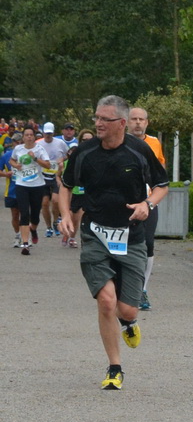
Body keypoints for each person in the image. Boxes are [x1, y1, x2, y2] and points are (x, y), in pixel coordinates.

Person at [54, 95, 169, 391]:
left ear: (121, 123)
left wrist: (147, 204)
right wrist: (65, 215)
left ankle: (128, 323)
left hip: (131, 235)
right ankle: (115, 367)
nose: (98, 123)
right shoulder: (84, 152)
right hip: (95, 233)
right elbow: (66, 186)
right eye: (96, 117)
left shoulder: (139, 150)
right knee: (106, 301)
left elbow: (162, 185)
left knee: (127, 310)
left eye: (105, 119)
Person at [127, 107, 167, 310]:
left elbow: (161, 170)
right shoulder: (120, 142)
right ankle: (123, 286)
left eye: (141, 119)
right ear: (126, 122)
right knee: (123, 243)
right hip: (125, 201)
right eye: (134, 119)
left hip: (149, 201)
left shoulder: (154, 143)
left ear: (147, 123)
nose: (137, 122)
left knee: (148, 243)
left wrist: (156, 190)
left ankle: (142, 289)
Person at [6, 126, 49, 255]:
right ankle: (25, 244)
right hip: (22, 184)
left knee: (35, 215)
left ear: (34, 137)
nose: (29, 137)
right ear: (23, 137)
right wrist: (16, 165)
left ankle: (33, 229)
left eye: (31, 135)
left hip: (37, 185)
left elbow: (47, 165)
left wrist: (35, 158)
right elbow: (11, 160)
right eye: (27, 135)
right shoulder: (18, 149)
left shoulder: (40, 149)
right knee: (24, 213)